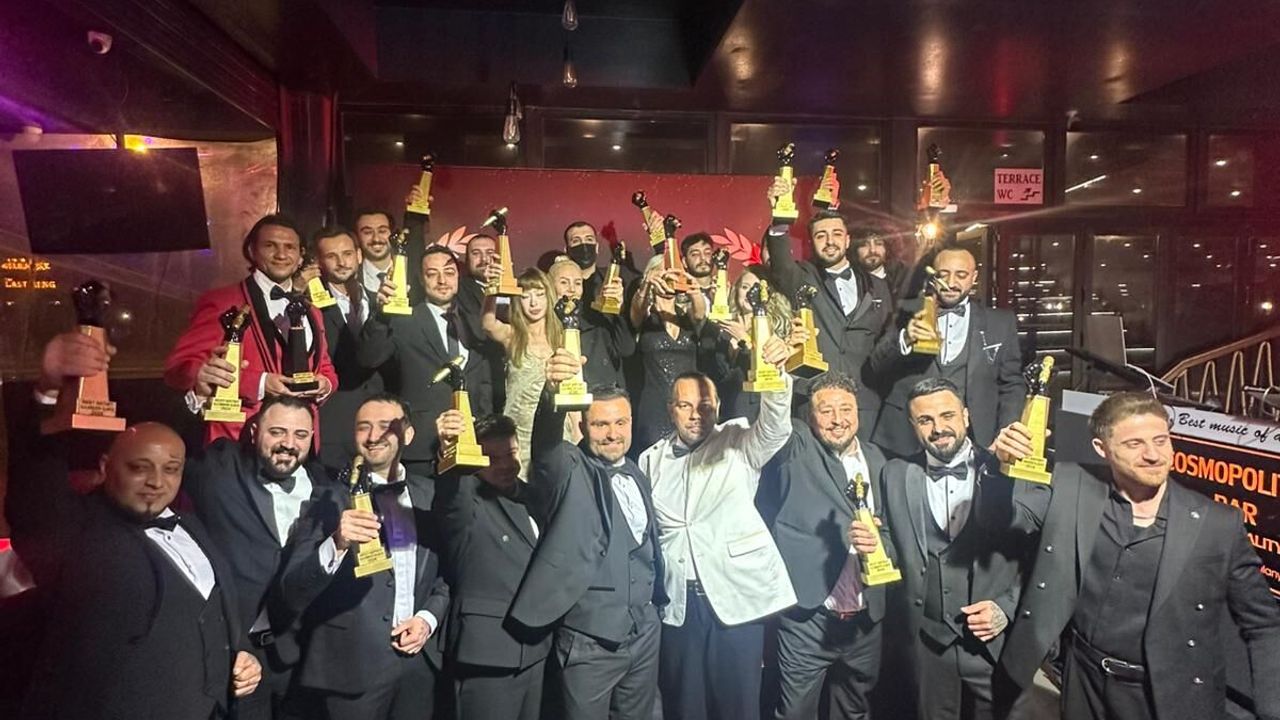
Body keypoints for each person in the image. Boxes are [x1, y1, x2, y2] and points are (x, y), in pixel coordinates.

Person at [9, 332, 262, 719]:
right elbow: (33, 481)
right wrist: (47, 391)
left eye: (170, 469)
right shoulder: (76, 532)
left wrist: (240, 652)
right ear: (106, 467)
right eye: (139, 468)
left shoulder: (191, 524)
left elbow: (212, 612)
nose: (157, 482)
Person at [997, 392, 1280, 720]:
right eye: (1134, 444)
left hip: (1165, 696)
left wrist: (1272, 709)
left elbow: (1263, 623)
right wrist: (998, 466)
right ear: (1102, 448)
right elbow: (1003, 521)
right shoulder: (1074, 488)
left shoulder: (1216, 524)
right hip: (1083, 683)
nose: (1153, 455)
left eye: (1161, 440)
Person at [850, 378, 1046, 720]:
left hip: (994, 643)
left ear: (966, 416)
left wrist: (1006, 608)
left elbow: (1040, 556)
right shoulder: (895, 474)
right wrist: (874, 545)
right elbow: (893, 544)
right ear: (912, 425)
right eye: (925, 420)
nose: (938, 428)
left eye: (947, 415)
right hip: (927, 644)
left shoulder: (1009, 467)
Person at [509, 355, 667, 720]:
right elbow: (545, 444)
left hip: (644, 633)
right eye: (600, 424)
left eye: (621, 422)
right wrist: (552, 394)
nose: (612, 433)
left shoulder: (637, 472)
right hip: (588, 641)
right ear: (581, 425)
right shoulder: (567, 466)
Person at [638, 362, 796, 720]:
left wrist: (774, 375)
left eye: (705, 405)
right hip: (678, 606)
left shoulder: (739, 441)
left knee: (737, 708)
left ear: (718, 407)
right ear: (671, 409)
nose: (696, 415)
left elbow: (775, 427)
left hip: (735, 600)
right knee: (685, 708)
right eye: (685, 406)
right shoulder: (650, 460)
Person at [279, 394, 450, 720]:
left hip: (418, 668)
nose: (373, 436)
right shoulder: (327, 499)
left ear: (408, 435)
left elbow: (447, 575)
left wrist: (428, 619)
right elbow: (292, 590)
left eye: (386, 426)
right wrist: (337, 542)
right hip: (349, 672)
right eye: (364, 427)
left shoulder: (431, 495)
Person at [182, 394, 341, 720]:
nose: (288, 444)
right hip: (236, 654)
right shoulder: (219, 469)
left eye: (300, 434)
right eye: (277, 432)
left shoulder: (329, 489)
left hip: (303, 658)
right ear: (254, 432)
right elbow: (172, 450)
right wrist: (195, 398)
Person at [759, 371, 893, 720]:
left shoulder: (879, 461)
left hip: (865, 621)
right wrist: (775, 372)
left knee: (854, 710)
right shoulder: (797, 447)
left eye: (846, 409)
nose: (838, 420)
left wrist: (880, 544)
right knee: (795, 714)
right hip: (809, 618)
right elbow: (773, 422)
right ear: (809, 416)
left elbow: (896, 532)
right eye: (826, 410)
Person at [165, 214, 338, 444]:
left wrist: (325, 385)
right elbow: (179, 368)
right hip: (240, 439)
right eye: (270, 246)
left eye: (290, 247)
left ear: (300, 256)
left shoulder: (313, 311)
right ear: (252, 251)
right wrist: (260, 383)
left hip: (300, 442)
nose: (281, 255)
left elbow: (325, 367)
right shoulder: (222, 301)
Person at [434, 414, 550, 720]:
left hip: (536, 649)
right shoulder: (468, 501)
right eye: (492, 458)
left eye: (511, 454)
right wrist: (451, 449)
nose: (505, 465)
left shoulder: (533, 497)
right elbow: (451, 498)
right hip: (487, 651)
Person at [870, 243, 1025, 458]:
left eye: (961, 275)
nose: (951, 283)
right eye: (943, 274)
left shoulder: (1000, 322)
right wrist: (904, 338)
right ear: (933, 276)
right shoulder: (905, 311)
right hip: (904, 437)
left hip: (974, 438)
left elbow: (1012, 385)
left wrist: (1006, 434)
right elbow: (875, 365)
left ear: (974, 277)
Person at [763, 181, 892, 432]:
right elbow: (781, 264)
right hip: (814, 399)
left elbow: (886, 341)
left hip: (864, 402)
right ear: (812, 242)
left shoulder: (877, 285)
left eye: (836, 234)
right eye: (821, 236)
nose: (830, 241)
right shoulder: (802, 277)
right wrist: (779, 219)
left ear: (848, 240)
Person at [358, 245, 494, 474]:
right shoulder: (403, 321)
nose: (442, 280)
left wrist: (485, 432)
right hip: (422, 449)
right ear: (421, 280)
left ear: (458, 276)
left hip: (474, 448)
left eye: (449, 272)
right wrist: (381, 315)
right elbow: (368, 358)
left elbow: (485, 383)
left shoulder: (478, 324)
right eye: (432, 274)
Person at [481, 267, 577, 478]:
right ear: (517, 301)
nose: (534, 303)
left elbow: (572, 387)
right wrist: (493, 288)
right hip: (519, 428)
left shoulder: (562, 337)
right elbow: (488, 324)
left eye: (539, 295)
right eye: (525, 297)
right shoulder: (513, 335)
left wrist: (578, 434)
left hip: (555, 425)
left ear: (548, 296)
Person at [307, 226, 388, 472]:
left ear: (359, 255)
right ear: (319, 262)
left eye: (347, 254)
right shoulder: (309, 305)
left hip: (379, 423)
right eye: (332, 256)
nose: (342, 263)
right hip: (335, 422)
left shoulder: (381, 300)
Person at [629, 255, 709, 453]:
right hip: (655, 407)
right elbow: (636, 312)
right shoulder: (645, 315)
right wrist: (646, 286)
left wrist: (693, 289)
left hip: (690, 406)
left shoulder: (687, 315)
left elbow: (700, 314)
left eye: (674, 271)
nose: (669, 278)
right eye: (664, 273)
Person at [701, 264, 793, 424]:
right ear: (736, 291)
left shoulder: (772, 331)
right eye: (745, 287)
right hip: (722, 416)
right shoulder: (723, 328)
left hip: (755, 415)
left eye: (757, 288)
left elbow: (770, 372)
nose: (751, 293)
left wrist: (744, 340)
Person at [547, 253, 634, 390]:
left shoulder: (596, 320)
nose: (572, 289)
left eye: (577, 283)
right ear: (549, 285)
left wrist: (620, 311)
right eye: (564, 282)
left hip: (602, 395)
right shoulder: (541, 324)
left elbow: (626, 349)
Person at [455, 232, 508, 413]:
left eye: (490, 253)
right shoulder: (459, 289)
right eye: (476, 253)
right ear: (466, 259)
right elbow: (478, 329)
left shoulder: (515, 287)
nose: (484, 259)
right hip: (483, 379)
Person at [851, 229, 906, 302]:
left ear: (887, 248)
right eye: (864, 245)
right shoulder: (848, 282)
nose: (872, 250)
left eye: (878, 244)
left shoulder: (904, 279)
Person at [680, 232, 716, 297]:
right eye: (695, 254)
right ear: (684, 262)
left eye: (707, 253)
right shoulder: (679, 295)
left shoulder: (727, 291)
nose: (703, 258)